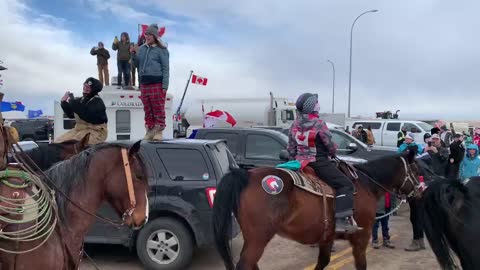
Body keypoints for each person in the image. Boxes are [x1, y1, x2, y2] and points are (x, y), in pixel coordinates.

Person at [287, 93, 359, 233]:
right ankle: (340, 220)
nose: (318, 105)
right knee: (345, 185)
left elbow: (291, 147)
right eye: (317, 103)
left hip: (297, 162)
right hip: (318, 162)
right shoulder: (319, 123)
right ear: (313, 107)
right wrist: (333, 152)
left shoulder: (294, 124)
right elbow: (329, 146)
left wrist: (294, 160)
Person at [131, 24, 169, 140]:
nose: (146, 36)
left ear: (155, 36)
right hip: (144, 83)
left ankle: (158, 132)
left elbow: (165, 68)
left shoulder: (162, 50)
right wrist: (133, 55)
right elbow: (137, 65)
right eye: (146, 34)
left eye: (149, 34)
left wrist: (165, 85)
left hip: (157, 83)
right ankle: (149, 131)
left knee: (158, 108)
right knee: (148, 109)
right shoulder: (142, 49)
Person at [56, 77, 108, 144]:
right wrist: (64, 103)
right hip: (80, 129)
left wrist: (73, 104)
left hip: (96, 132)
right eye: (85, 86)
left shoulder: (97, 102)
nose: (85, 88)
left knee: (74, 144)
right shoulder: (80, 100)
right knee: (59, 143)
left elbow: (87, 116)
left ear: (93, 90)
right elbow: (71, 115)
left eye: (88, 87)